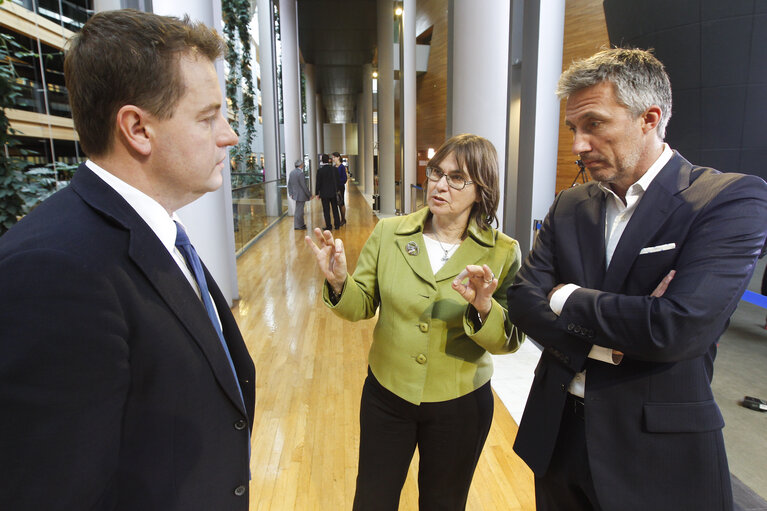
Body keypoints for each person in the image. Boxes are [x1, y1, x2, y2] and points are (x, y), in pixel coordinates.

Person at [0, 10, 255, 510]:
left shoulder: (154, 229)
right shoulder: (54, 271)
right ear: (138, 128)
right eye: (207, 118)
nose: (229, 136)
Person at [507, 48, 767, 511]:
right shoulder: (571, 205)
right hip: (558, 439)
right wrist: (621, 334)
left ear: (649, 118)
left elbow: (675, 327)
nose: (577, 146)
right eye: (573, 128)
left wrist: (564, 295)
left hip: (655, 454)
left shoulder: (724, 200)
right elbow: (524, 300)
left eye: (594, 124)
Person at [305, 134, 525, 510]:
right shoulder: (391, 233)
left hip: (460, 403)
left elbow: (509, 340)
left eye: (457, 178)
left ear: (481, 189)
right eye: (437, 171)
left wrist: (485, 307)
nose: (439, 184)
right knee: (373, 498)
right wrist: (341, 282)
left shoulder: (503, 251)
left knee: (444, 502)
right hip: (387, 395)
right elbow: (361, 306)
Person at [316, 153, 340, 230]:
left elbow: (318, 183)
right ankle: (337, 225)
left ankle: (329, 226)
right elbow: (338, 181)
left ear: (322, 161)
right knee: (335, 209)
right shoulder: (335, 169)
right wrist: (338, 190)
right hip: (333, 193)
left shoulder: (320, 171)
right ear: (329, 160)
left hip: (324, 194)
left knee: (326, 210)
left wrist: (317, 193)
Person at [288, 158, 311, 230]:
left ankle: (301, 224)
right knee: (299, 211)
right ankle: (298, 226)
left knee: (299, 210)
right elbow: (303, 186)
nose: (303, 165)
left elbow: (289, 184)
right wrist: (309, 194)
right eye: (303, 164)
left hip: (295, 195)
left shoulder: (292, 172)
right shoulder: (300, 173)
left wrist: (291, 193)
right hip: (301, 195)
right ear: (301, 165)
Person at [332, 151, 348, 226]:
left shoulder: (342, 167)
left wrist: (337, 182)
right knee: (336, 203)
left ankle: (343, 219)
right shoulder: (334, 167)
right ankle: (339, 219)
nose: (333, 159)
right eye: (333, 157)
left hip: (340, 187)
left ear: (338, 157)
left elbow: (345, 179)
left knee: (341, 203)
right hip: (334, 187)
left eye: (334, 157)